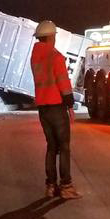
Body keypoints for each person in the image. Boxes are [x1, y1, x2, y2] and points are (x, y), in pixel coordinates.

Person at [30, 20, 81, 199]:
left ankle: (50, 186)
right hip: (57, 107)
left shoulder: (35, 57)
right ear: (51, 36)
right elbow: (63, 83)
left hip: (43, 108)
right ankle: (66, 186)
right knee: (64, 147)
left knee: (52, 147)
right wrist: (70, 106)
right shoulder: (55, 56)